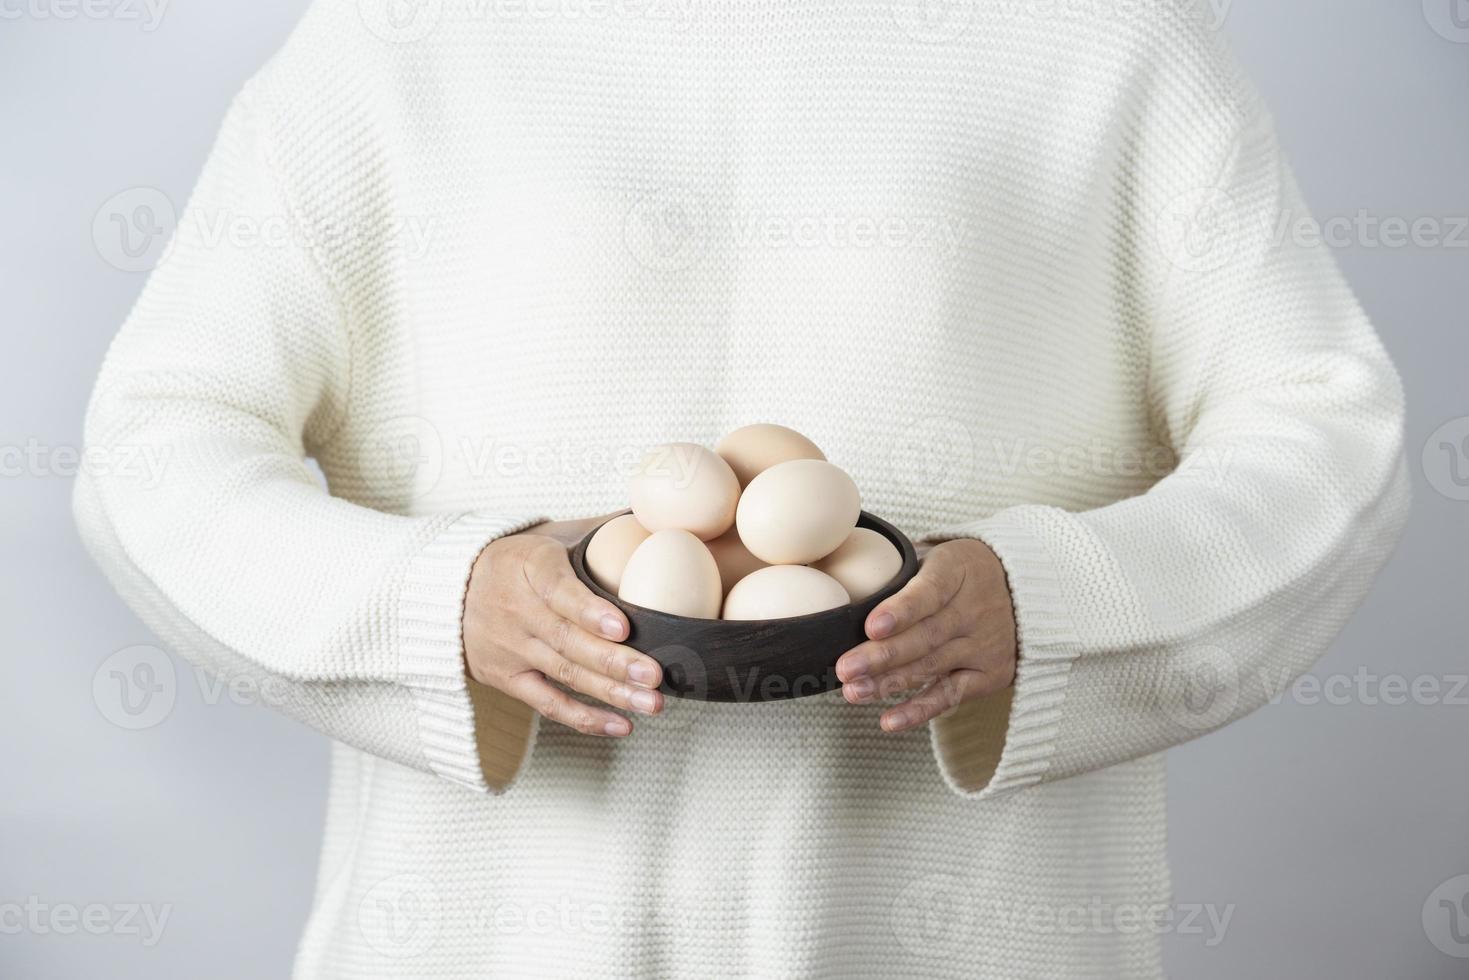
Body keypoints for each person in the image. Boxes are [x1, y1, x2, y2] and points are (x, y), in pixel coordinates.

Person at [75, 1, 1409, 976]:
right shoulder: (389, 49)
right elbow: (159, 444)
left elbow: (1325, 432)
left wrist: (1055, 600)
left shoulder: (1114, 44)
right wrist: (440, 602)